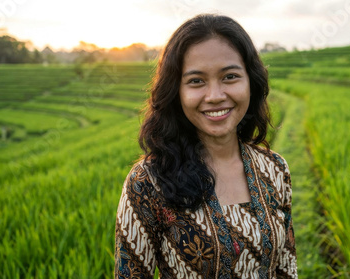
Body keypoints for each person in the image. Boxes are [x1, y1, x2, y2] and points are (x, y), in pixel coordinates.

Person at [115, 14, 297, 278]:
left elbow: (287, 268)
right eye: (196, 81)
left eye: (230, 76)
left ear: (250, 82)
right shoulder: (147, 182)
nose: (215, 96)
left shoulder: (275, 169)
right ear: (176, 91)